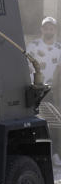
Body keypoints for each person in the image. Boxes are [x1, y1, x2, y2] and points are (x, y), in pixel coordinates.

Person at [27, 16, 61, 166]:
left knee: (53, 122)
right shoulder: (33, 46)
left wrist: (55, 87)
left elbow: (58, 70)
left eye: (51, 28)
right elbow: (26, 64)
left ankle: (54, 154)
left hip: (51, 91)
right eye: (46, 28)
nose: (48, 30)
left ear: (55, 30)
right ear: (42, 29)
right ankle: (35, 154)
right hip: (34, 89)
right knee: (33, 120)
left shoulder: (59, 48)